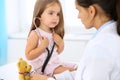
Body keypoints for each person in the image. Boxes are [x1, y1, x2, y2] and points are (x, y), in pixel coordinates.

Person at [25, 0, 77, 79]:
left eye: (57, 14)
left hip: (55, 64)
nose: (55, 17)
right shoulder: (35, 34)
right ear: (39, 15)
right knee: (71, 72)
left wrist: (61, 44)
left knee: (76, 68)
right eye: (51, 13)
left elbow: (57, 52)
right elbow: (28, 56)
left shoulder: (53, 33)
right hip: (44, 68)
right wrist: (41, 47)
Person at [75, 0, 120, 80]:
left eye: (79, 10)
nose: (78, 16)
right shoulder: (112, 36)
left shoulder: (100, 47)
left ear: (91, 11)